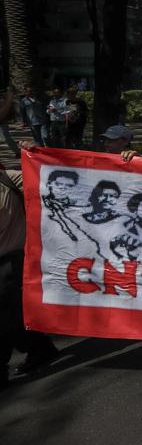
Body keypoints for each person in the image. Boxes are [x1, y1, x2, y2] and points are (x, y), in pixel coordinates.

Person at [0, 159, 58, 386]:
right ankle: (39, 346)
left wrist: (34, 153)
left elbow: (51, 178)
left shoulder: (9, 179)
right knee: (11, 315)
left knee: (6, 315)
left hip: (10, 261)